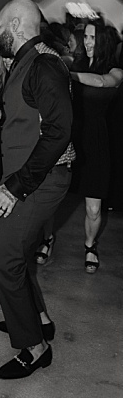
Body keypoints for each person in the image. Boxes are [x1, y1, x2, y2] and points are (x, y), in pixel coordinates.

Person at [0, 0, 75, 382]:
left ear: (17, 25)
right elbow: (30, 115)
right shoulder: (27, 60)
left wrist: (16, 187)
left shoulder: (43, 64)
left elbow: (58, 132)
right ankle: (36, 318)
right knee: (6, 248)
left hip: (41, 179)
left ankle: (35, 347)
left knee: (5, 258)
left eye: (0, 26)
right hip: (23, 176)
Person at [66, 20, 121, 275]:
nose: (87, 42)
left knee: (94, 207)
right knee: (53, 200)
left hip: (97, 142)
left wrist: (69, 74)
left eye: (92, 37)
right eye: (86, 37)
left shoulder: (117, 70)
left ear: (104, 41)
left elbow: (101, 82)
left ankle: (90, 246)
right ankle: (47, 238)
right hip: (70, 138)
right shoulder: (73, 64)